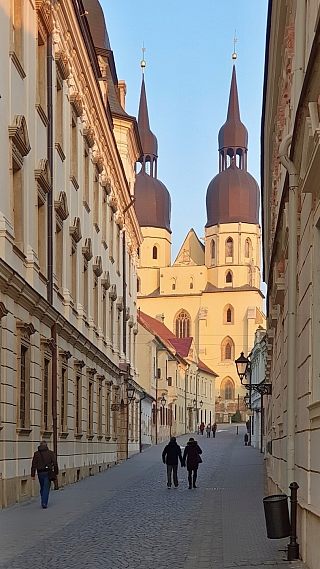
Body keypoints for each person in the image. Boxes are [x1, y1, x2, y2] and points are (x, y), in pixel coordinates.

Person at [31, 440, 58, 508]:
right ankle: (44, 502)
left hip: (40, 472)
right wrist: (56, 472)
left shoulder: (36, 454)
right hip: (48, 472)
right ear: (46, 446)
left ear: (40, 445)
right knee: (46, 487)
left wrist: (33, 474)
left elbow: (33, 464)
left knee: (42, 486)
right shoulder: (51, 453)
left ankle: (43, 499)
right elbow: (55, 464)